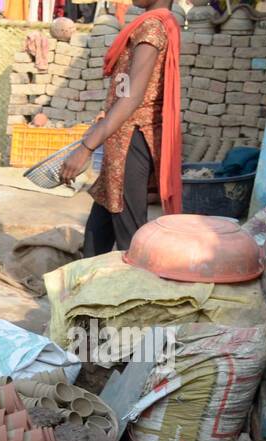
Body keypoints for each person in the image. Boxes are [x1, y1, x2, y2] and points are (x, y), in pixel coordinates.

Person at [60, 0, 182, 255]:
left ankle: (138, 287)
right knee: (105, 209)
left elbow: (132, 97)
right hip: (121, 134)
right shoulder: (156, 23)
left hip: (132, 136)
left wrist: (86, 148)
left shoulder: (152, 28)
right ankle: (84, 275)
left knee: (130, 229)